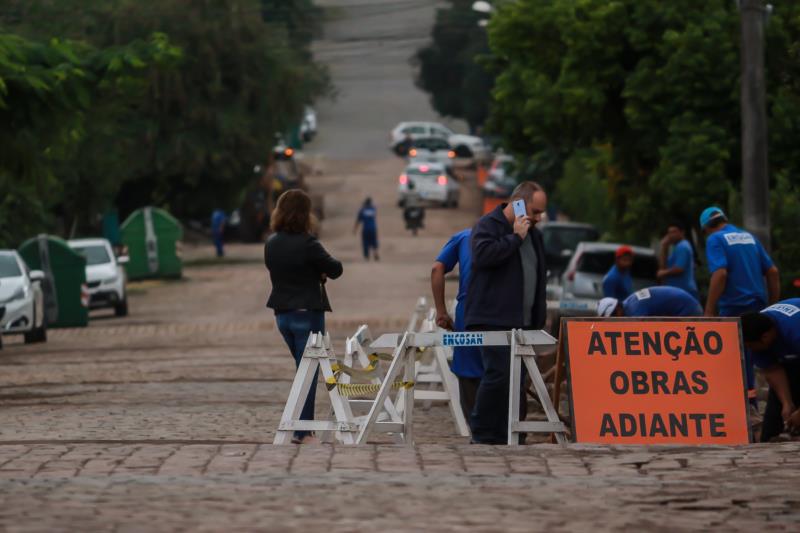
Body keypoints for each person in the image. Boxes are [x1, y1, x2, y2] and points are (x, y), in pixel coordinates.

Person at [465, 181, 548, 444]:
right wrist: (514, 238)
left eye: (540, 213)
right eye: (534, 211)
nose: (538, 218)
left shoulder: (535, 234)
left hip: (522, 321)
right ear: (518, 204)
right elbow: (482, 257)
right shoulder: (488, 225)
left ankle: (512, 432)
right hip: (492, 317)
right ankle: (482, 431)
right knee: (498, 375)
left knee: (518, 380)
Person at [265, 190, 343, 444]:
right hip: (307, 314)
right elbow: (336, 269)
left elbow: (282, 271)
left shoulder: (271, 243)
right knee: (308, 373)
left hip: (282, 316)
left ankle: (300, 426)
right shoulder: (309, 243)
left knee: (302, 370)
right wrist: (318, 272)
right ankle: (302, 431)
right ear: (305, 214)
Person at [700, 206, 780, 404]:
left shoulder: (715, 239)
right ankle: (760, 409)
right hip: (758, 305)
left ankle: (743, 411)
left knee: (733, 364)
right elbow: (773, 272)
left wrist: (709, 311)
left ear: (706, 228)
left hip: (734, 307)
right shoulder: (748, 237)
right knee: (756, 361)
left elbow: (720, 274)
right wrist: (773, 307)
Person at [431, 228, 483, 420]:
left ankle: (477, 430)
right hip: (503, 311)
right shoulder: (514, 237)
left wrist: (441, 311)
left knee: (469, 371)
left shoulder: (465, 236)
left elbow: (437, 268)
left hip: (468, 311)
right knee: (506, 368)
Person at [741, 300, 800, 441]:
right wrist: (787, 403)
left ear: (765, 337)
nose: (749, 350)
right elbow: (772, 369)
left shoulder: (795, 331)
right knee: (771, 430)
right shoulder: (754, 331)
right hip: (790, 357)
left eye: (750, 346)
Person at [657, 221, 700, 301]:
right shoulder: (677, 247)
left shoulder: (683, 246)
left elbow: (679, 268)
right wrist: (664, 246)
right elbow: (663, 265)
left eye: (674, 232)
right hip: (676, 290)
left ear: (682, 232)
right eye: (669, 233)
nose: (671, 235)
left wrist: (664, 272)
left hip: (684, 291)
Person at [597, 286, 703, 318]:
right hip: (686, 306)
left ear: (618, 309)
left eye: (613, 317)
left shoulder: (635, 310)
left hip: (689, 310)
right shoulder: (627, 304)